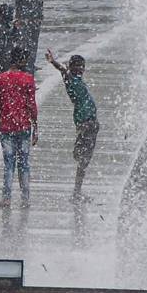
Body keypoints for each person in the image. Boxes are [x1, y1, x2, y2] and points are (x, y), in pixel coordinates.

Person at [46, 49, 99, 199]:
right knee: (83, 159)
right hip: (85, 123)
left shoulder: (75, 79)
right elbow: (63, 70)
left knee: (84, 159)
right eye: (78, 66)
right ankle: (77, 192)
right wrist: (53, 62)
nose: (81, 69)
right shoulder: (71, 79)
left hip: (90, 123)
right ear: (72, 67)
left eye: (83, 66)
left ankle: (77, 190)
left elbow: (64, 70)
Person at [0, 47, 38, 208]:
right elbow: (31, 105)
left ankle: (6, 198)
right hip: (23, 126)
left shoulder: (0, 79)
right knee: (24, 163)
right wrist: (35, 126)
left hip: (6, 126)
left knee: (8, 164)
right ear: (21, 60)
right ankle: (25, 199)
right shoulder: (28, 79)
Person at [15, 0, 52, 74]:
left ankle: (31, 63)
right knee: (25, 41)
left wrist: (40, 15)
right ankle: (24, 64)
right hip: (25, 15)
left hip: (35, 15)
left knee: (34, 41)